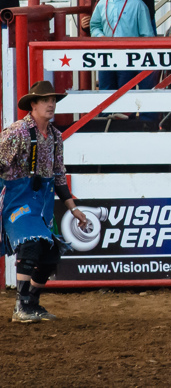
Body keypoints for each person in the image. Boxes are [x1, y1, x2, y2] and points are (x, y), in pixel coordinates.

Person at [0, 81, 89, 323]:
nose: (51, 104)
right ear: (33, 104)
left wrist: (73, 208)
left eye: (53, 100)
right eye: (45, 100)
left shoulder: (56, 137)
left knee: (50, 252)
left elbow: (59, 174)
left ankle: (32, 303)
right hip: (18, 198)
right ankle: (20, 306)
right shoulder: (16, 133)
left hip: (42, 200)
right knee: (31, 243)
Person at [89, 0, 156, 91]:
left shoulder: (138, 5)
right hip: (106, 56)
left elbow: (147, 34)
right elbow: (95, 25)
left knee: (125, 90)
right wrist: (100, 36)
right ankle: (107, 113)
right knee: (106, 90)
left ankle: (125, 113)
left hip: (129, 57)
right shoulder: (101, 4)